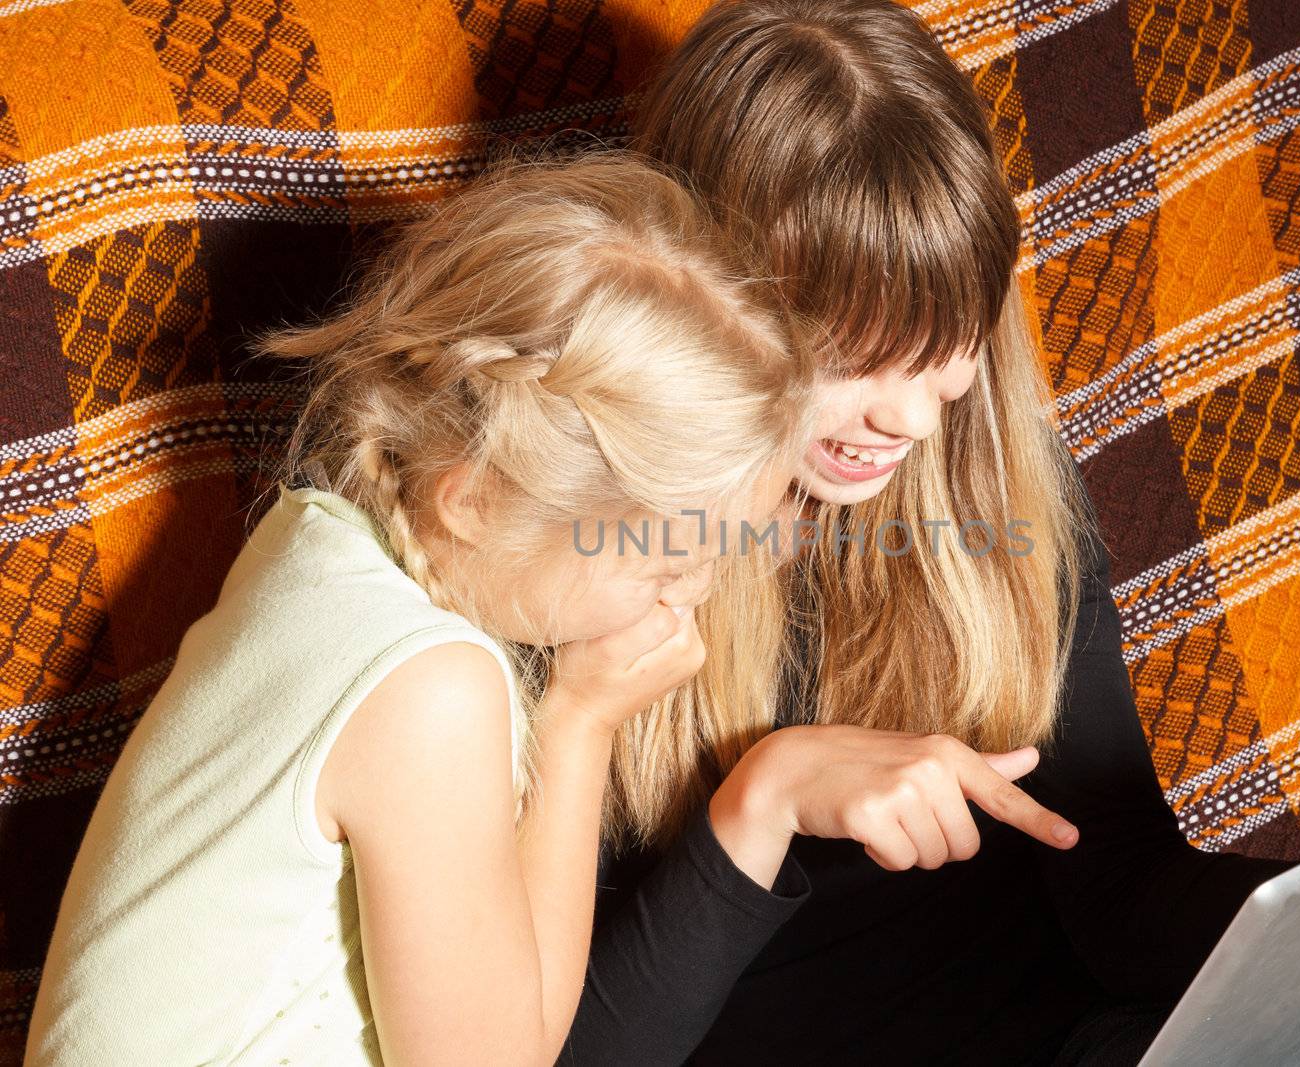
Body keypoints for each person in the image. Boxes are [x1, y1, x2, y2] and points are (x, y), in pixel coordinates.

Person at [559, 3, 1300, 1065]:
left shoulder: (995, 482)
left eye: (943, 341)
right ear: (693, 295)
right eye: (850, 351)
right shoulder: (564, 554)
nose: (907, 417)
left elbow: (1112, 881)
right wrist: (755, 805)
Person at [24, 151, 814, 1066]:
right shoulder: (433, 689)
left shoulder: (309, 541)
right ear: (472, 498)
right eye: (664, 561)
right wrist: (584, 719)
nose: (698, 592)